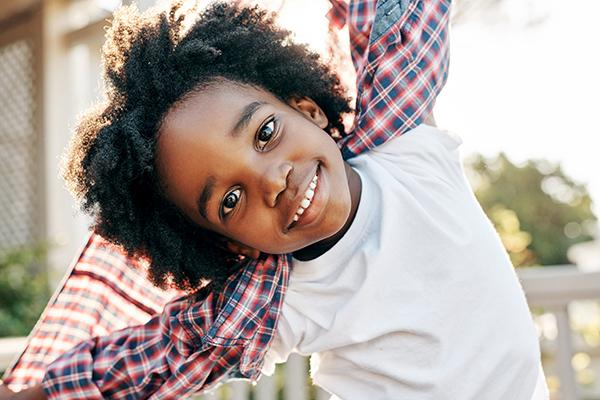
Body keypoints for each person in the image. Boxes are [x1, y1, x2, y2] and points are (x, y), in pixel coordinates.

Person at [0, 0, 548, 399]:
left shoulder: (405, 145)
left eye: (264, 133)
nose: (272, 182)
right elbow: (153, 359)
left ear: (307, 108)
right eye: (231, 200)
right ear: (225, 242)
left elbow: (399, 21)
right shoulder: (274, 298)